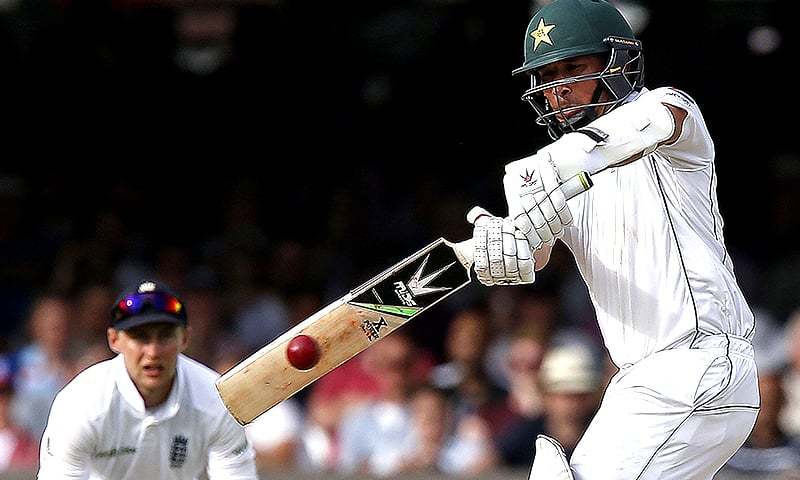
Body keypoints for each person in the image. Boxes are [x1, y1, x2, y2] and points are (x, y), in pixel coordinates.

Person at [467, 0, 760, 478]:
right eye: (547, 76)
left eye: (573, 68)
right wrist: (500, 246)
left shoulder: (666, 109)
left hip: (698, 363)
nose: (557, 88)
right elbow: (532, 256)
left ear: (616, 61)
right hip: (639, 381)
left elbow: (653, 123)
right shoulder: (548, 172)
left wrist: (551, 166)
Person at [38, 280, 257, 479]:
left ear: (185, 338)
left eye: (164, 336)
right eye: (140, 337)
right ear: (114, 339)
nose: (153, 352)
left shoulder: (215, 401)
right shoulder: (81, 404)